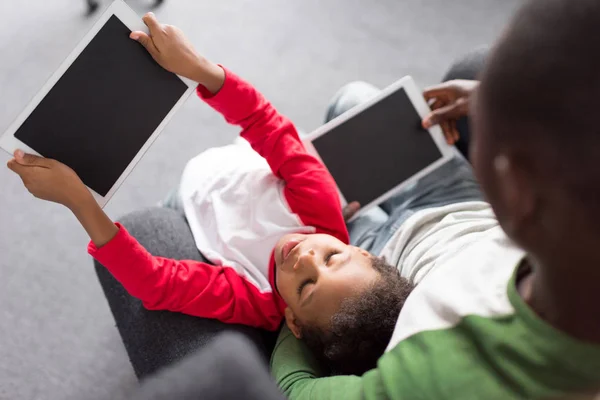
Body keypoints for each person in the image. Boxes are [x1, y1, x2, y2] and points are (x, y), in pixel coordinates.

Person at [5, 13, 413, 376]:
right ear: (362, 252)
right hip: (228, 169)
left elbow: (156, 283)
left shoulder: (255, 299)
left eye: (306, 286)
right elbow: (264, 122)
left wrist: (79, 200)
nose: (306, 256)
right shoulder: (322, 207)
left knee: (155, 204)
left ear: (292, 321)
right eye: (332, 256)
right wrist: (199, 67)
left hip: (188, 210)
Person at [269, 0, 600, 398]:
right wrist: (487, 100)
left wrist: (292, 318)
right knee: (353, 101)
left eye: (488, 143)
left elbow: (293, 389)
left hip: (383, 261)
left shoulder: (428, 374)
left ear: (516, 188)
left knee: (286, 202)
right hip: (450, 207)